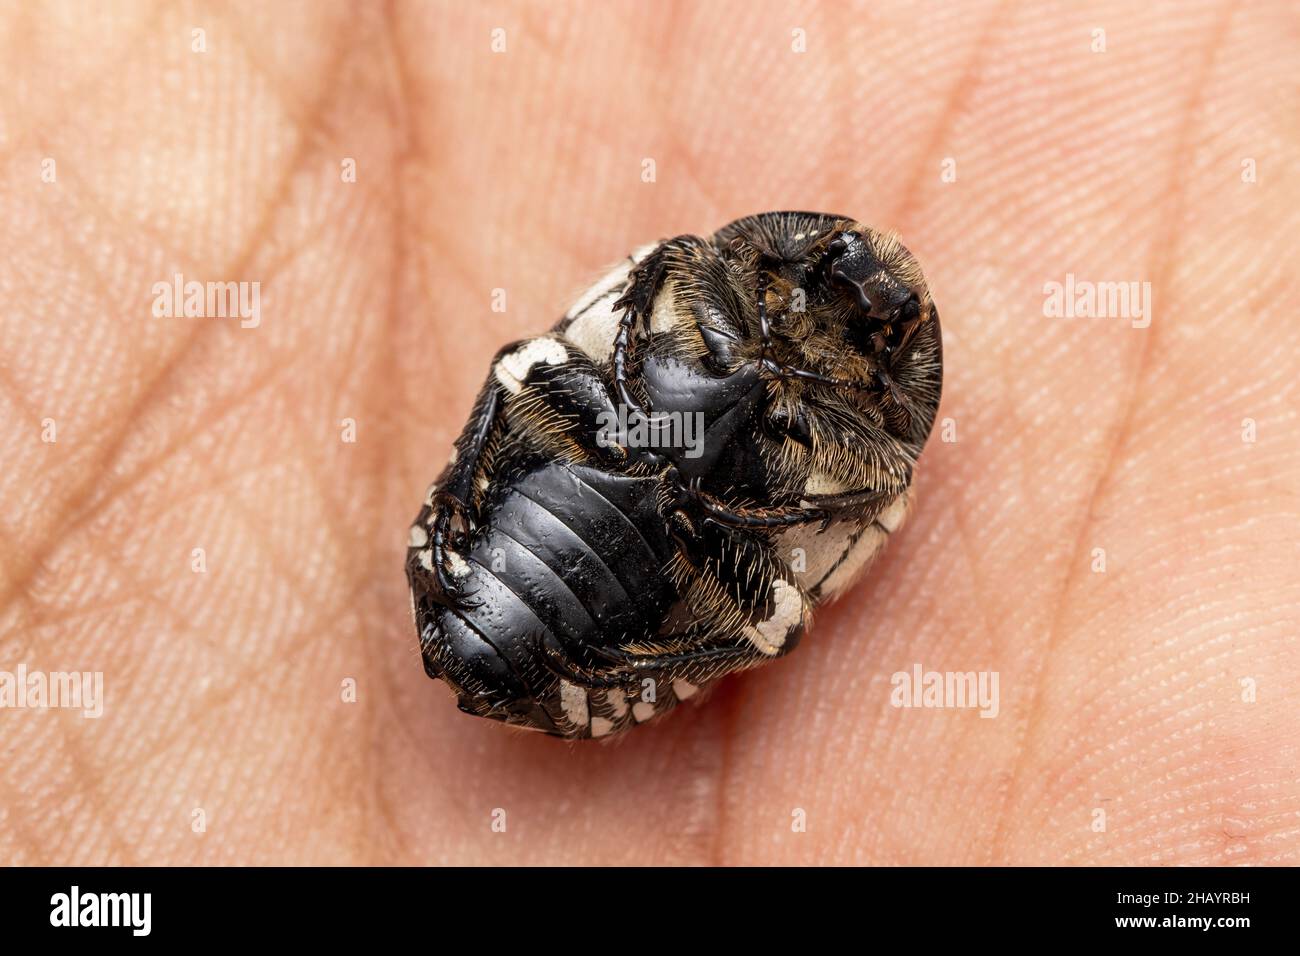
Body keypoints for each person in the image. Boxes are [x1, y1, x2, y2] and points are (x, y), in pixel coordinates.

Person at [2, 0, 1295, 865]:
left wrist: (655, 447)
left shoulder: (608, 399)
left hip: (638, 451)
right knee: (751, 587)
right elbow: (741, 599)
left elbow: (530, 384)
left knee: (687, 513)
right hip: (685, 507)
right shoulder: (595, 487)